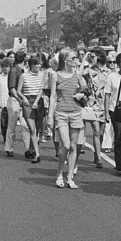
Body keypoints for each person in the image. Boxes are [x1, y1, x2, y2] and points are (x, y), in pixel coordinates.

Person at [46, 48, 88, 190]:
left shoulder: (77, 74)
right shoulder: (56, 76)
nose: (76, 61)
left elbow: (86, 90)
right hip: (61, 114)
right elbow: (53, 97)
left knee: (74, 146)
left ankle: (69, 177)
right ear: (65, 60)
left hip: (76, 112)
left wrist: (82, 95)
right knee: (66, 146)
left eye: (76, 58)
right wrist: (50, 117)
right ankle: (59, 174)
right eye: (73, 58)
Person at [104, 52, 121, 175]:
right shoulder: (112, 76)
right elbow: (107, 95)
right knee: (118, 138)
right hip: (116, 110)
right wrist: (106, 112)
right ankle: (119, 166)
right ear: (118, 64)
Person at [19, 55, 45, 163]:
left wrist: (36, 101)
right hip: (27, 102)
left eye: (39, 64)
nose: (38, 66)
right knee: (32, 129)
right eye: (36, 64)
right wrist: (24, 98)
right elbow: (19, 90)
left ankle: (31, 149)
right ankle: (37, 154)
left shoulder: (42, 75)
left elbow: (41, 89)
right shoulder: (24, 76)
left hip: (38, 101)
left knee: (37, 129)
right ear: (31, 66)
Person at [5, 51, 27, 157]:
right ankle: (9, 147)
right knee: (12, 125)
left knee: (25, 124)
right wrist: (19, 99)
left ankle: (28, 148)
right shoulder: (14, 70)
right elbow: (12, 88)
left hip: (21, 99)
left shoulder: (22, 70)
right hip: (15, 99)